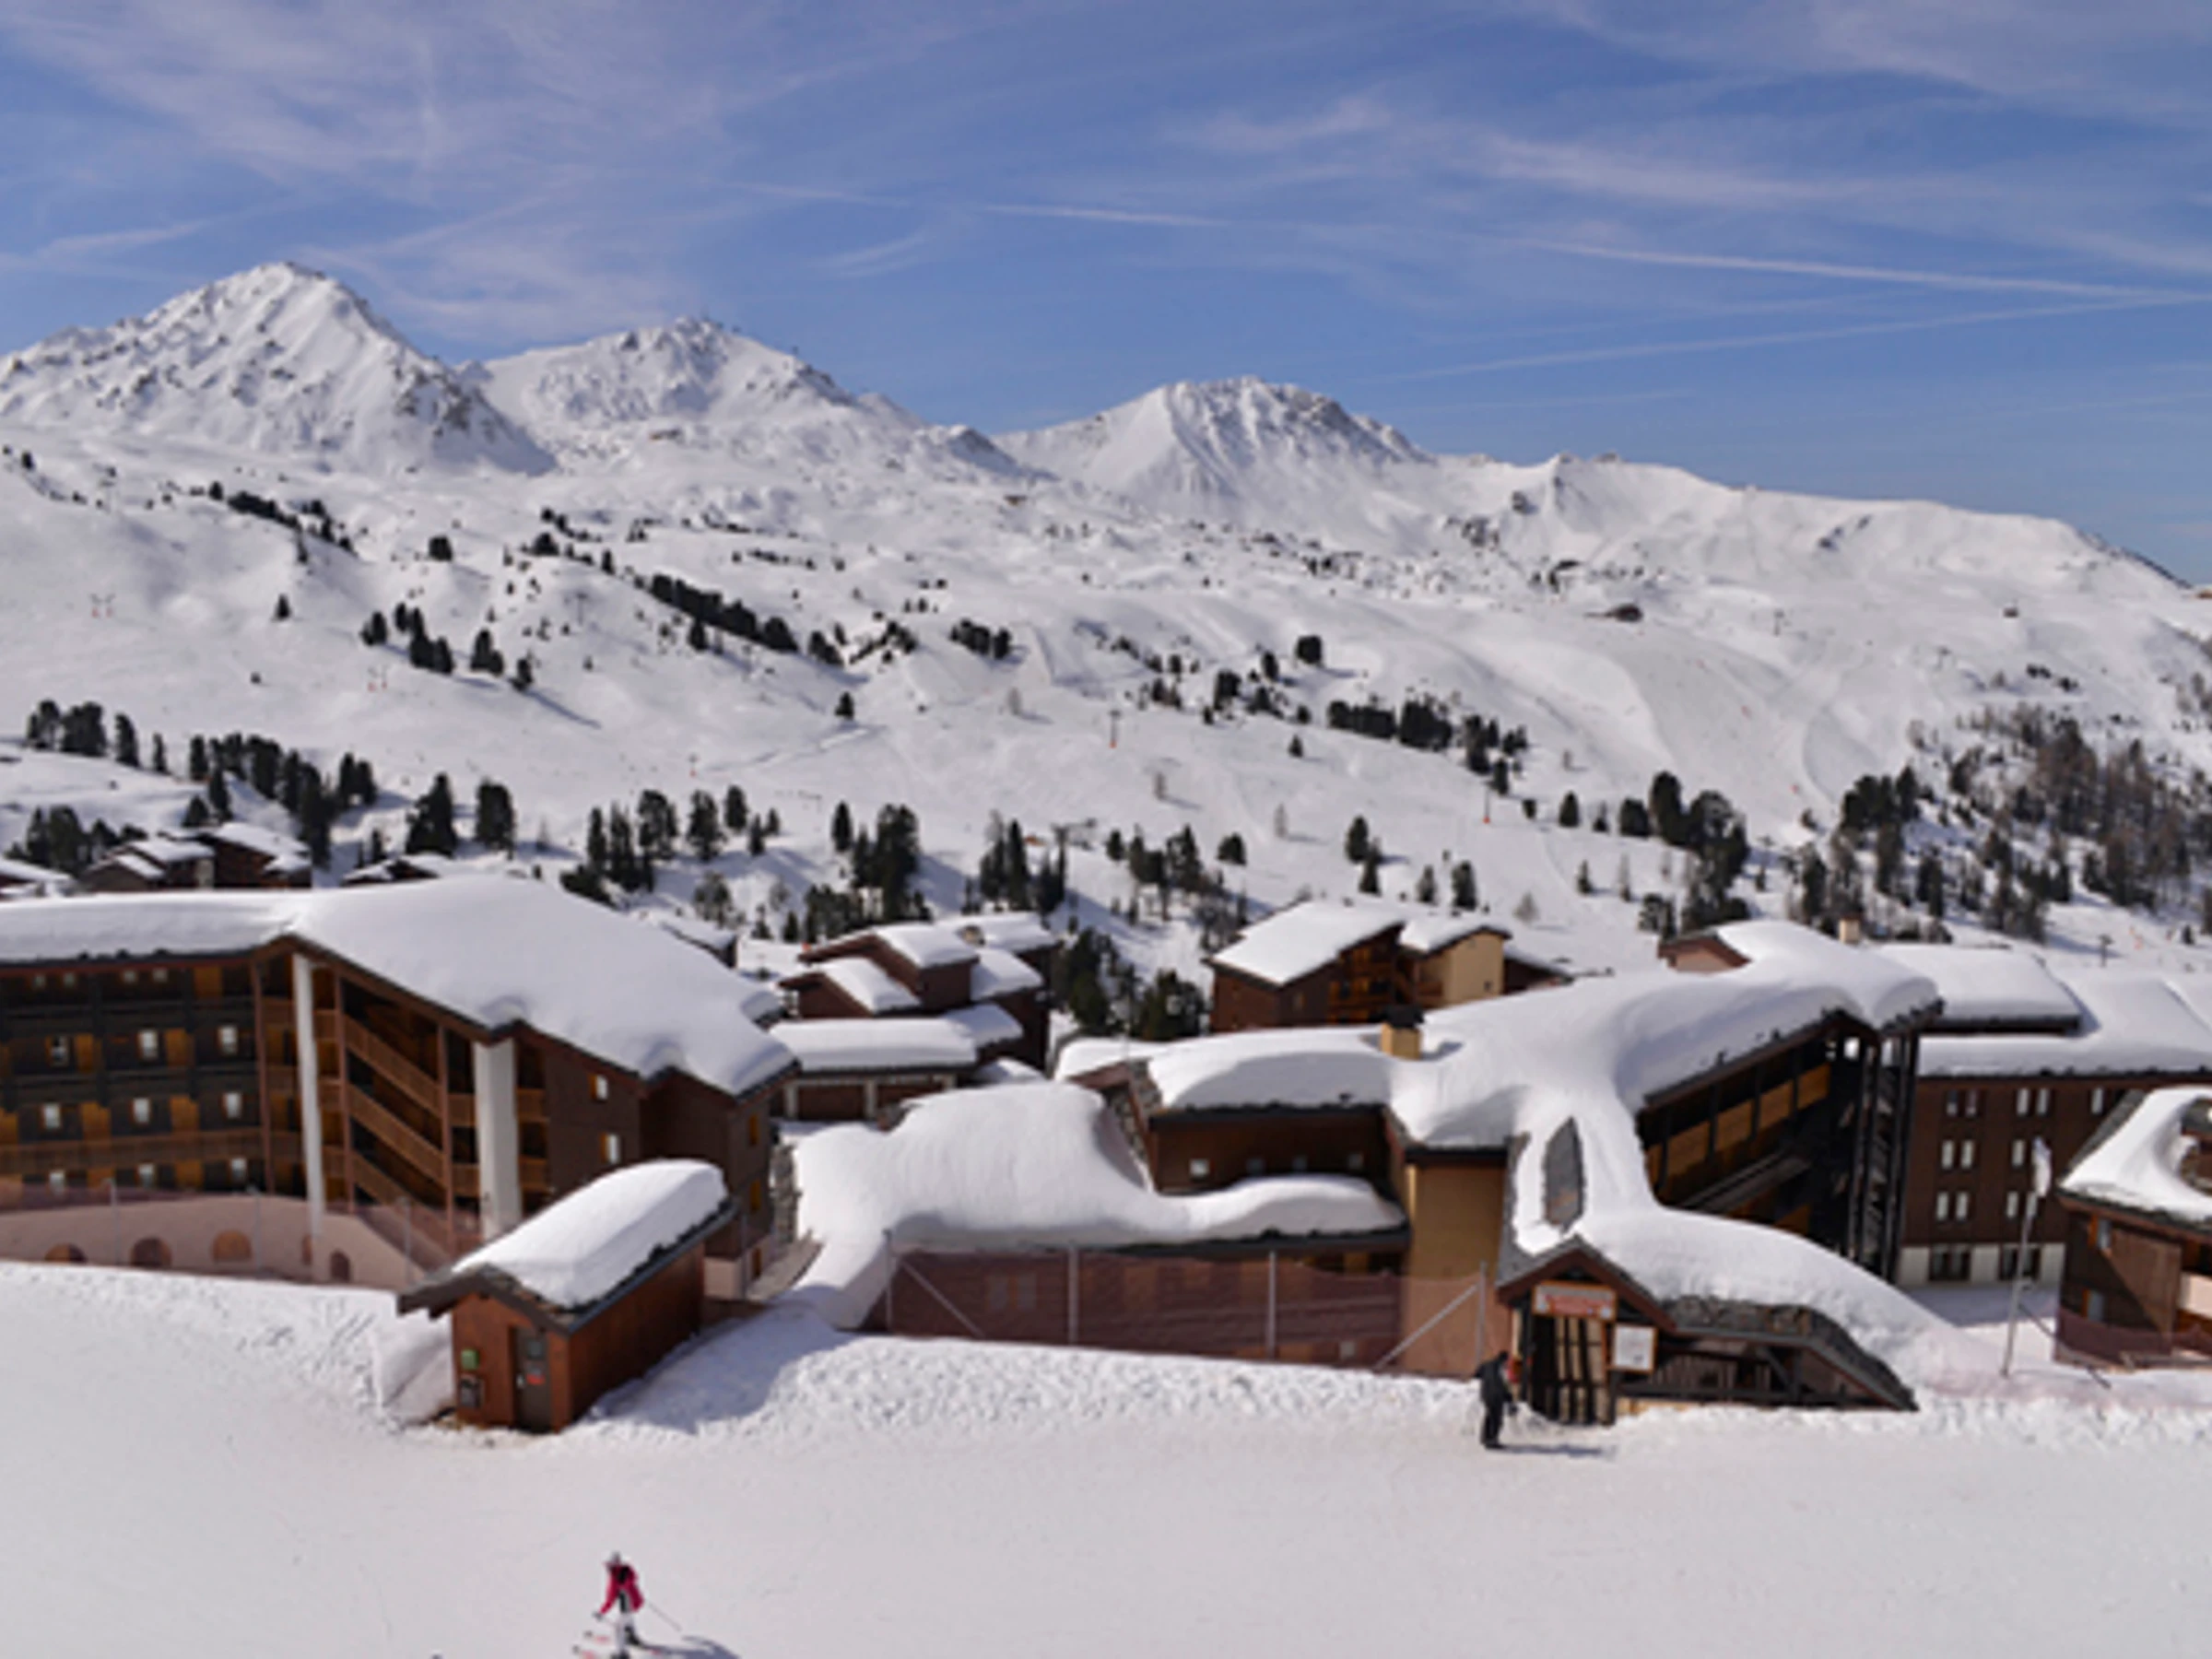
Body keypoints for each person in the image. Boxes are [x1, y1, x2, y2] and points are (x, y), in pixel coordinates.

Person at [599, 1552, 645, 1654]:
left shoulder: (615, 1577)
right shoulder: (626, 1570)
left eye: (609, 1566)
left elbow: (610, 1599)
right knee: (628, 1619)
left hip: (627, 1605)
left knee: (618, 1627)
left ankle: (621, 1652)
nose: (607, 1568)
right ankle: (632, 1637)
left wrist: (601, 1612)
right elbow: (634, 1577)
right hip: (635, 1602)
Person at [1473, 1350, 1518, 1450]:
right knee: (1496, 1418)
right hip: (1496, 1396)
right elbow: (1503, 1385)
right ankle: (1492, 1440)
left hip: (1486, 1394)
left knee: (1489, 1415)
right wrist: (1509, 1399)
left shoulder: (1486, 1365)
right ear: (1504, 1359)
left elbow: (1476, 1375)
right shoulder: (1501, 1369)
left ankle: (1485, 1437)